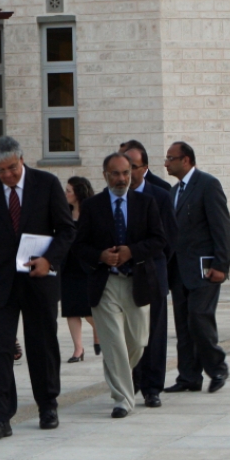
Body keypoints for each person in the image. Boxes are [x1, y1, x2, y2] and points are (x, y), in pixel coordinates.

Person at [0, 135, 75, 440]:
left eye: (12, 168)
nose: (7, 175)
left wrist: (49, 260)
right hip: (0, 281)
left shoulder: (47, 183)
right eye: (0, 171)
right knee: (1, 349)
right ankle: (0, 415)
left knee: (42, 344)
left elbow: (66, 230)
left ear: (21, 159)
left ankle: (47, 404)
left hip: (38, 279)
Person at [72, 153, 166, 417]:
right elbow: (79, 246)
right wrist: (101, 256)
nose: (122, 178)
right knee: (114, 343)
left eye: (126, 172)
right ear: (105, 175)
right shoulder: (92, 206)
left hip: (137, 281)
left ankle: (118, 374)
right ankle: (123, 400)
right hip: (106, 283)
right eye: (116, 173)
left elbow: (159, 239)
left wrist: (132, 251)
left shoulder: (146, 203)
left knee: (137, 340)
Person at [162, 142, 230, 394]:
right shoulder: (173, 192)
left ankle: (217, 367)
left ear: (187, 160)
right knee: (183, 325)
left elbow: (221, 227)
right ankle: (189, 376)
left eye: (171, 158)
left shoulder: (207, 184)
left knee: (199, 318)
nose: (166, 163)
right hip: (179, 270)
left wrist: (221, 264)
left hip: (205, 268)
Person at [120, 144, 177, 407]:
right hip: (120, 276)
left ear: (144, 168)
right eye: (122, 167)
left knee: (154, 333)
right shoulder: (111, 198)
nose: (127, 173)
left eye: (132, 166)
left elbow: (169, 239)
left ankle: (152, 387)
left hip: (152, 272)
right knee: (127, 334)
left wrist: (148, 259)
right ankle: (130, 381)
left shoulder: (161, 195)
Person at [61, 176, 98, 363]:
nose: (65, 193)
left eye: (68, 190)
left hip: (87, 266)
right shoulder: (63, 212)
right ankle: (78, 349)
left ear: (78, 193)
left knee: (87, 307)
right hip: (68, 265)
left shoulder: (91, 211)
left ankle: (99, 331)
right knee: (71, 309)